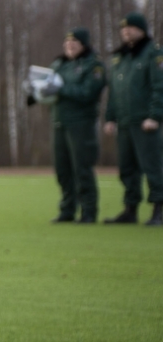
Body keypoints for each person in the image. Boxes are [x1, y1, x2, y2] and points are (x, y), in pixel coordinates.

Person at [102, 12, 163, 226]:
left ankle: (159, 209)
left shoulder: (152, 54)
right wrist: (110, 118)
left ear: (142, 30)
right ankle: (130, 209)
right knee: (127, 168)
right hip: (124, 121)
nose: (126, 31)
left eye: (131, 27)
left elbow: (159, 87)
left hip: (145, 121)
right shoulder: (120, 57)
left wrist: (155, 116)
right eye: (123, 28)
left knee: (153, 166)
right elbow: (114, 92)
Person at [48, 28, 106, 223]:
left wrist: (61, 88)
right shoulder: (59, 64)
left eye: (74, 43)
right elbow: (49, 89)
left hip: (81, 124)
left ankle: (89, 211)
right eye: (66, 42)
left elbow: (88, 93)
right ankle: (68, 209)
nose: (69, 46)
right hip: (60, 122)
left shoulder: (93, 65)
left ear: (83, 45)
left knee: (82, 168)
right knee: (62, 169)